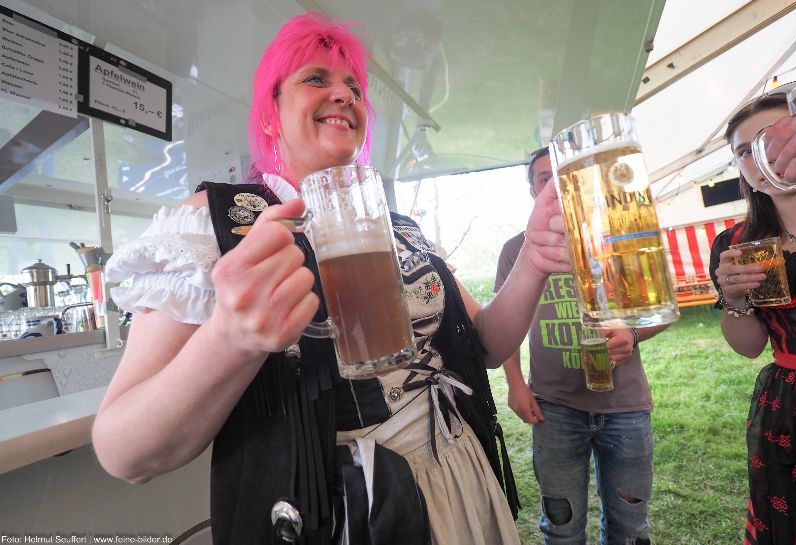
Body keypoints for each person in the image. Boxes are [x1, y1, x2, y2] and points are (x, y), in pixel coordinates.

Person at [93, 13, 572, 545]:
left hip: (460, 478)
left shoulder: (395, 227)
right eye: (315, 79)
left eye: (355, 88)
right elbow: (123, 452)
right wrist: (230, 337)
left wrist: (534, 258)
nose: (344, 95)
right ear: (270, 115)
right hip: (347, 514)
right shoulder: (214, 224)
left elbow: (485, 345)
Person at [494, 147, 668, 545]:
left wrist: (632, 334)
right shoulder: (516, 250)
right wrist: (515, 383)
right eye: (544, 179)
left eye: (565, 176)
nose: (556, 186)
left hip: (624, 407)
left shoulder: (618, 237)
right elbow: (506, 324)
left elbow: (661, 311)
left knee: (630, 529)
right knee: (562, 529)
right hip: (554, 407)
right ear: (533, 191)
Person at [708, 84, 796, 545]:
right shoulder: (739, 245)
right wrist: (735, 301)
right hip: (792, 410)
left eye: (771, 138)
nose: (761, 157)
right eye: (744, 152)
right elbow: (750, 347)